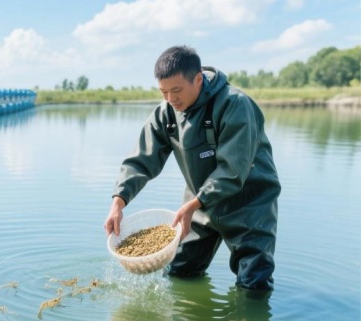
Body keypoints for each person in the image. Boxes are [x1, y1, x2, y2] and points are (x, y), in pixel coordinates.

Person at [104, 45, 281, 291]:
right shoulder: (167, 112)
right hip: (197, 207)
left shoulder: (236, 105)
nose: (170, 99)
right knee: (179, 272)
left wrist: (195, 203)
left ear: (198, 79)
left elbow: (233, 170)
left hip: (248, 204)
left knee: (254, 282)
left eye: (176, 90)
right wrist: (119, 201)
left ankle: (250, 312)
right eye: (163, 92)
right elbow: (140, 159)